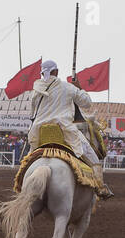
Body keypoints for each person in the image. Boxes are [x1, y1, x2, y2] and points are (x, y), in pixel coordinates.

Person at [27, 59, 113, 198]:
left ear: (43, 73)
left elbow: (32, 114)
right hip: (64, 131)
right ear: (57, 71)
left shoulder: (36, 90)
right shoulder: (68, 87)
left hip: (39, 133)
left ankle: (21, 186)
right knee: (93, 158)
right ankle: (100, 187)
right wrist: (79, 88)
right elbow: (87, 103)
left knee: (27, 161)